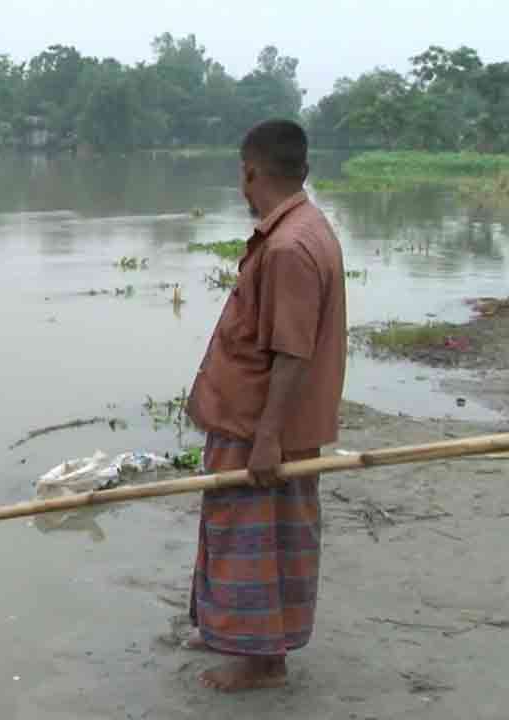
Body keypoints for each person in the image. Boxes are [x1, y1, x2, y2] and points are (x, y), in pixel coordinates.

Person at [185, 119, 347, 692]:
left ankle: (261, 661)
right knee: (242, 533)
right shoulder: (304, 227)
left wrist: (268, 437)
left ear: (251, 171)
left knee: (254, 539)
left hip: (262, 426)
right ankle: (230, 633)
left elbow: (292, 350)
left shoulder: (287, 246)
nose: (242, 188)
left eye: (243, 176)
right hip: (255, 421)